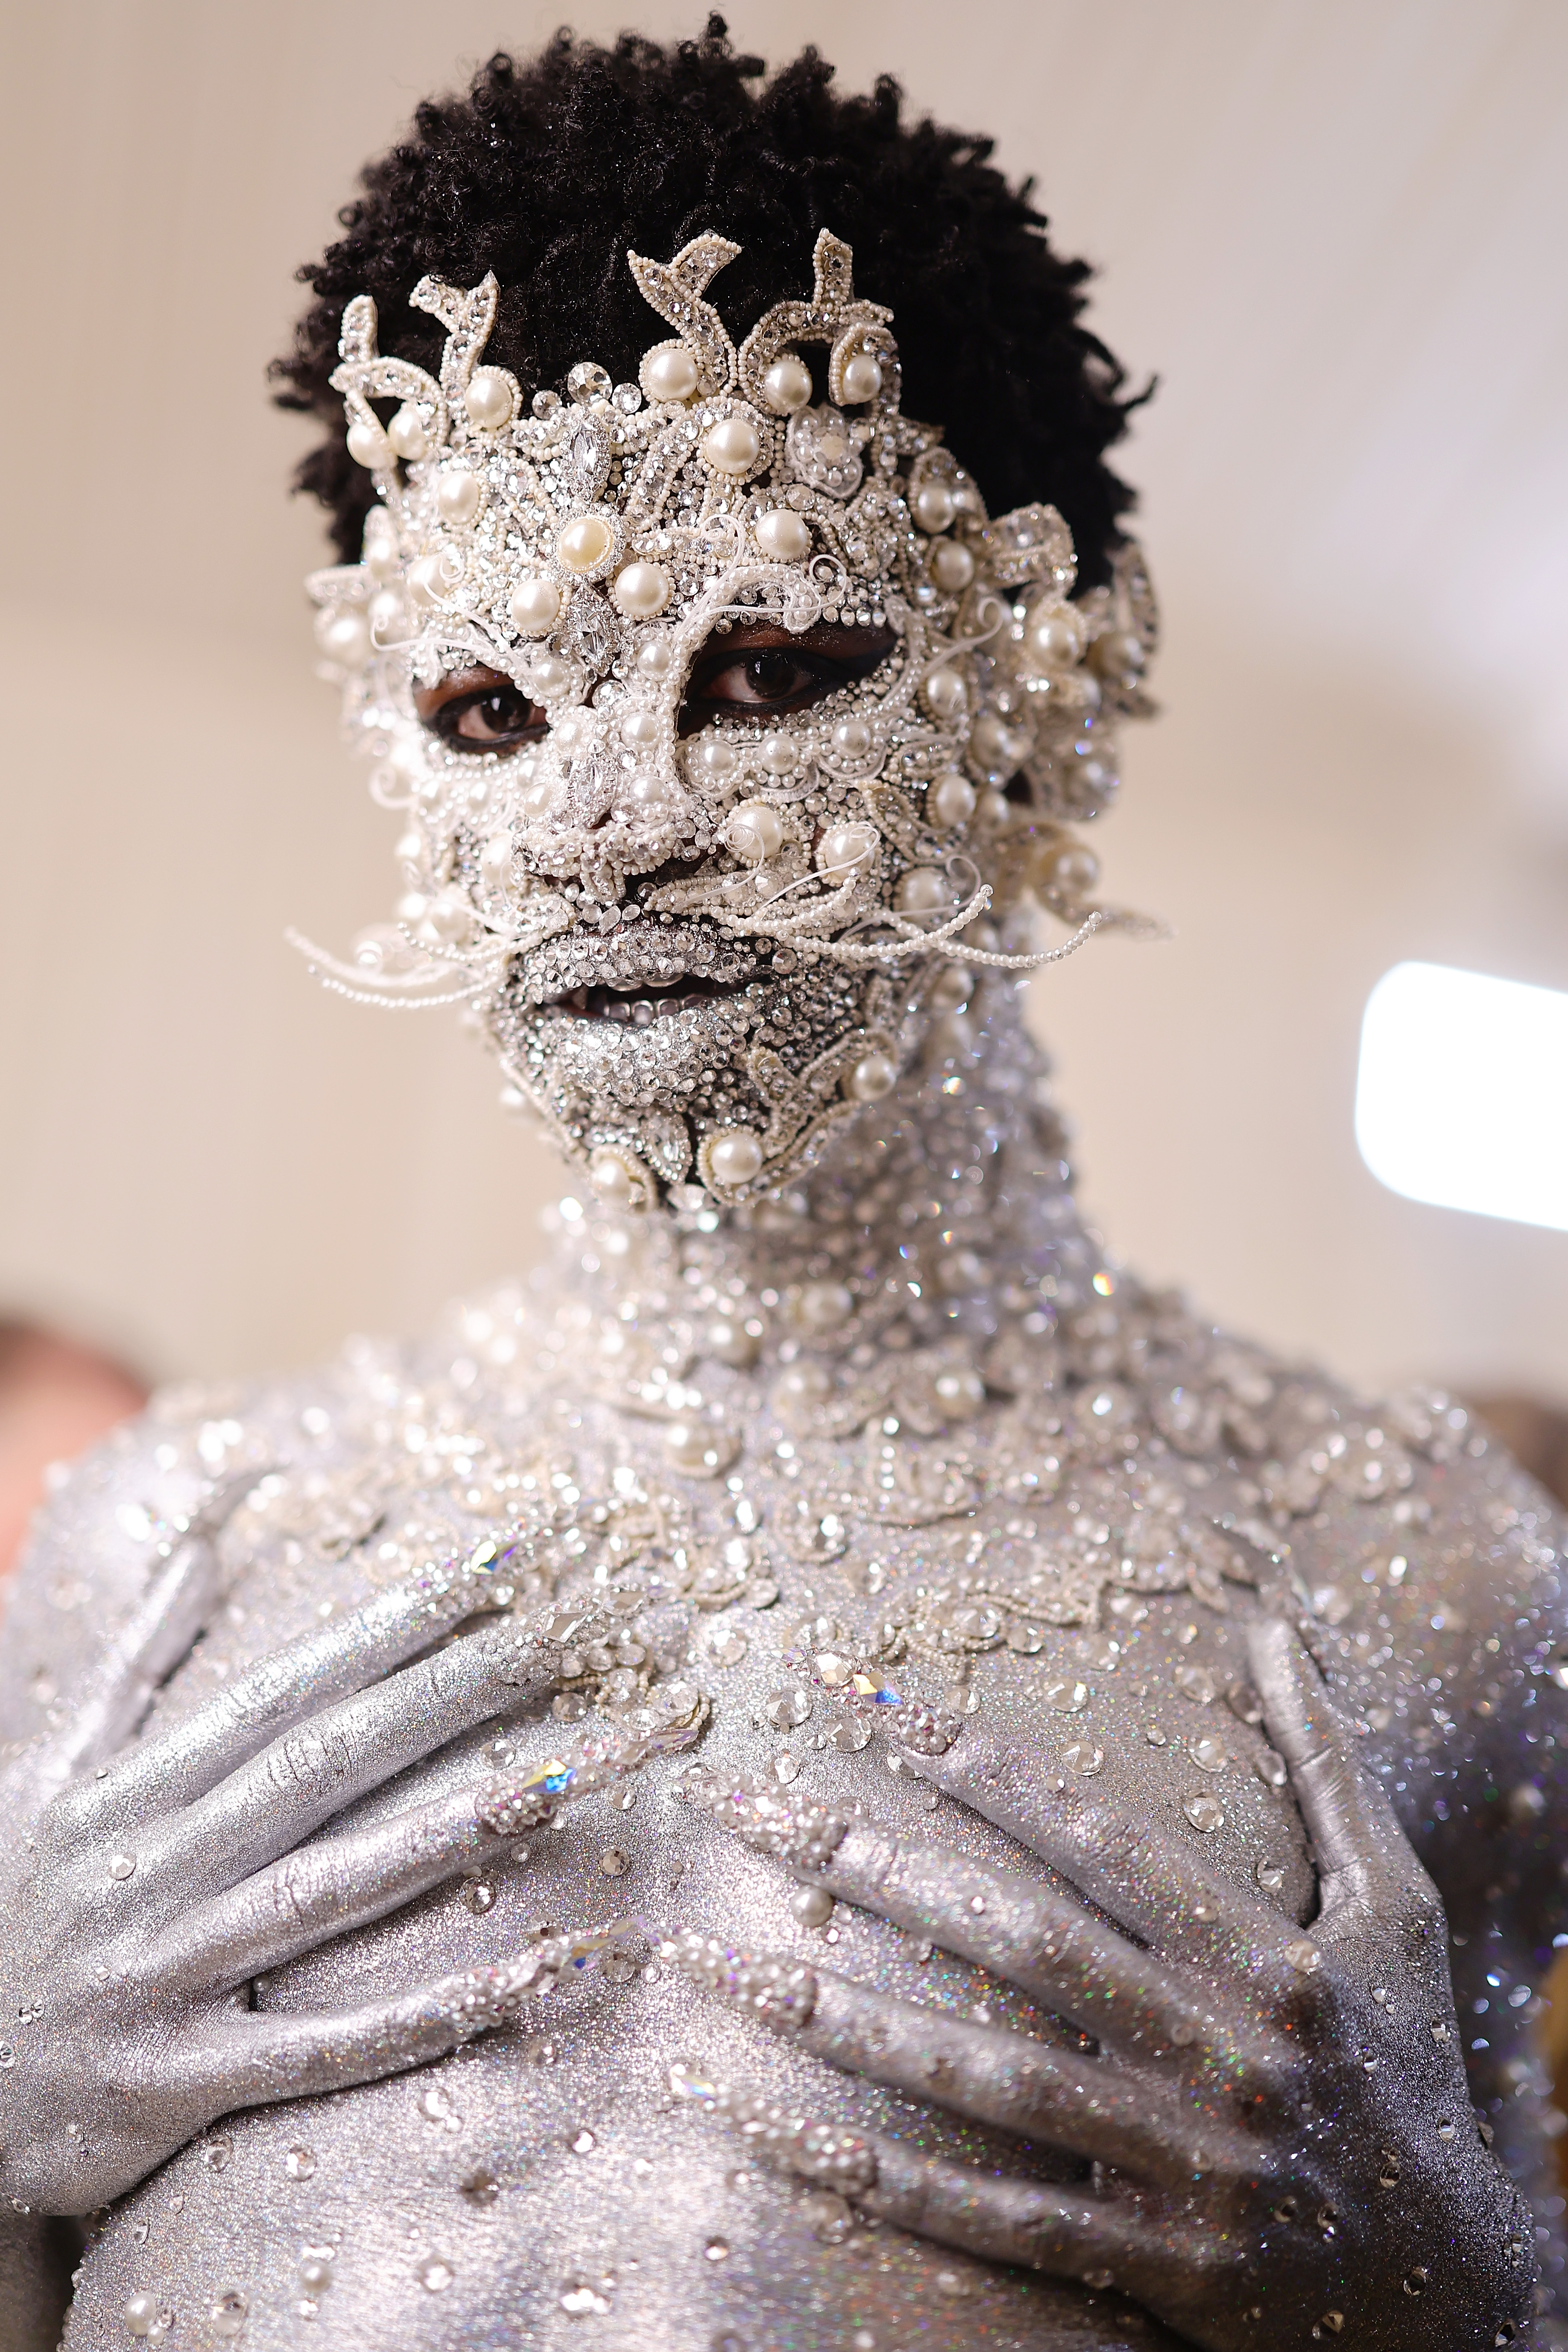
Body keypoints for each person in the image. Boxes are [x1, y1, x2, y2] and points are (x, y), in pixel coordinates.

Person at [1, 25, 1562, 2350]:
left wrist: (1436, 2286)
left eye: (762, 662)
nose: (607, 820)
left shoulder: (1417, 1573)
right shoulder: (165, 1544)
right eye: (486, 711)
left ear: (1041, 687)